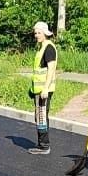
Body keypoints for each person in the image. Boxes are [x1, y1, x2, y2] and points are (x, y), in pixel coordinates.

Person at [28, 21, 58, 155]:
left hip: (44, 90)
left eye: (39, 32)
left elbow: (51, 70)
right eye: (35, 33)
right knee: (39, 116)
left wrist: (45, 89)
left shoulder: (49, 48)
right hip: (38, 89)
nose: (36, 35)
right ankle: (42, 144)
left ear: (45, 33)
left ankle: (44, 146)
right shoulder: (42, 47)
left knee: (41, 116)